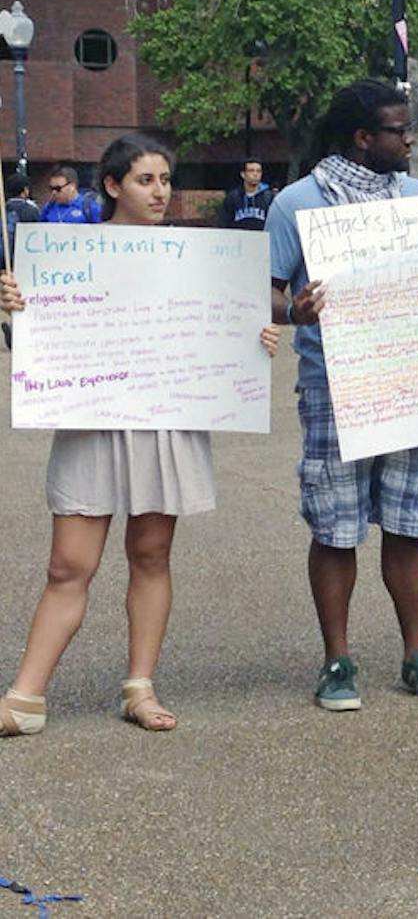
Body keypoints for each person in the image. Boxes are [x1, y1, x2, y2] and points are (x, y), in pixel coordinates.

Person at [0, 135, 279, 736]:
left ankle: (139, 686)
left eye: (165, 180)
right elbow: (43, 343)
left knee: (151, 554)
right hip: (94, 414)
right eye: (145, 180)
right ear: (112, 185)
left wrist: (254, 340)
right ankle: (24, 698)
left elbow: (229, 326)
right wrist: (17, 305)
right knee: (68, 565)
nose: (160, 192)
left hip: (165, 414)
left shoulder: (198, 255)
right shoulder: (65, 253)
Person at [266, 79, 418, 712]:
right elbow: (262, 292)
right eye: (397, 131)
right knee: (336, 524)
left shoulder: (417, 198)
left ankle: (416, 654)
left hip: (411, 379)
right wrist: (294, 309)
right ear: (361, 138)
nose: (408, 139)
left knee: (409, 522)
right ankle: (337, 660)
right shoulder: (296, 204)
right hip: (333, 384)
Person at [4, 172, 39, 349]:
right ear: (24, 190)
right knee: (25, 298)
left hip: (5, 263)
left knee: (10, 297)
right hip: (26, 261)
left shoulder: (4, 209)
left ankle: (12, 325)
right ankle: (21, 331)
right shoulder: (31, 210)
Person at [220, 159, 275, 231]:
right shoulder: (233, 198)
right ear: (243, 174)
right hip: (238, 239)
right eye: (251, 171)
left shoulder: (269, 197)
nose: (255, 174)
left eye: (258, 171)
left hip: (262, 239)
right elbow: (224, 223)